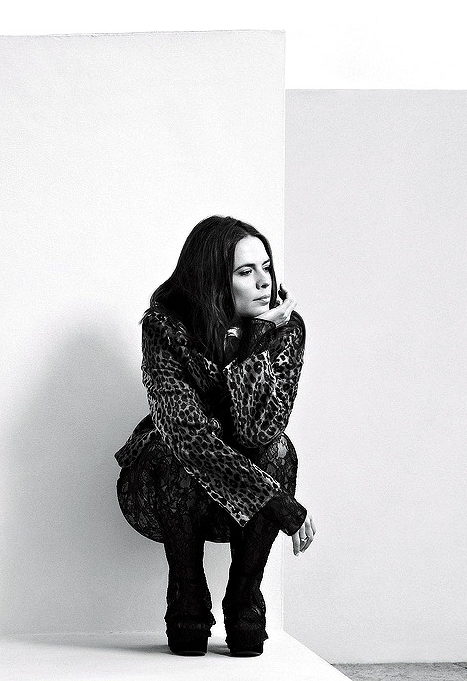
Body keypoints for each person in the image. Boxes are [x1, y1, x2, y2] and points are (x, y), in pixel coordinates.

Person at [115, 215, 315, 657]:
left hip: (239, 493)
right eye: (246, 271)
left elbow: (259, 429)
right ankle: (186, 593)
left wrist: (257, 338)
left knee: (279, 450)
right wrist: (275, 500)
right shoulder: (165, 326)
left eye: (266, 267)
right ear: (214, 281)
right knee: (170, 449)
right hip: (168, 486)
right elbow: (186, 434)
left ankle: (245, 599)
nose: (264, 281)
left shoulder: (284, 327)